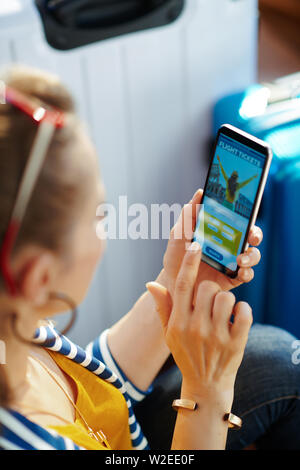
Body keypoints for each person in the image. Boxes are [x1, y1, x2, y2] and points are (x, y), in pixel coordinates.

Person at [0, 65, 299, 450]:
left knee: (279, 358)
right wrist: (208, 392)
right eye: (98, 216)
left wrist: (178, 280)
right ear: (39, 277)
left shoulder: (15, 321)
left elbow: (94, 391)